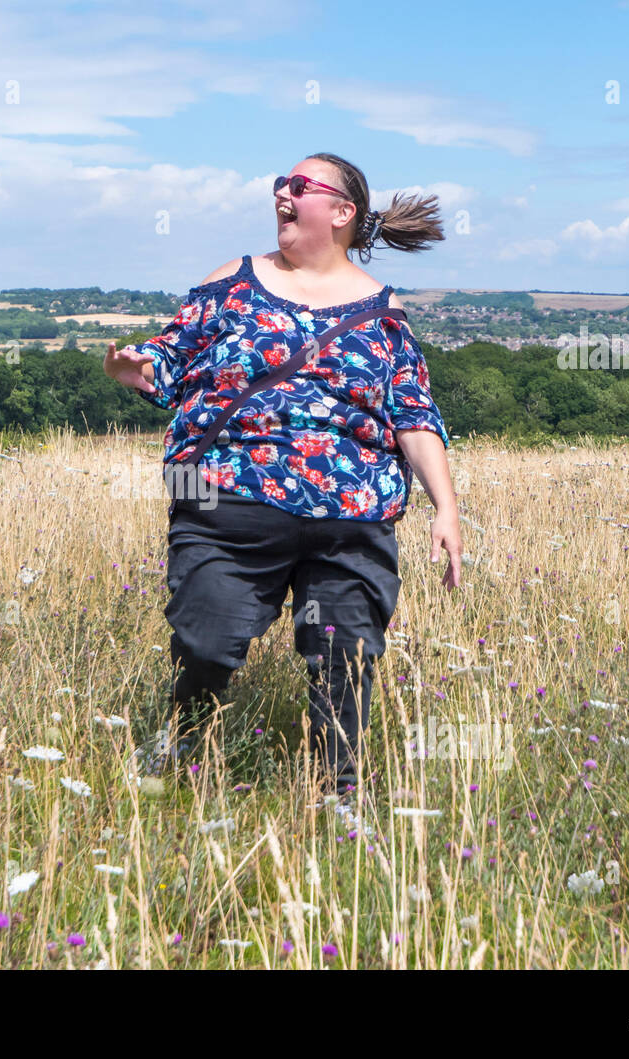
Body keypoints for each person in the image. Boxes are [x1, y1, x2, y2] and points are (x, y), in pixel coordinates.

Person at [102, 152, 462, 801]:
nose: (282, 196)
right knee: (207, 640)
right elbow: (171, 350)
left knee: (345, 663)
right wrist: (139, 365)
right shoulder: (234, 281)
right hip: (226, 503)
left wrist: (446, 507)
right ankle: (185, 743)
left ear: (342, 212)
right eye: (279, 185)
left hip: (350, 517)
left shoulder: (384, 311)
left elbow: (413, 413)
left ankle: (337, 799)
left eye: (299, 186)